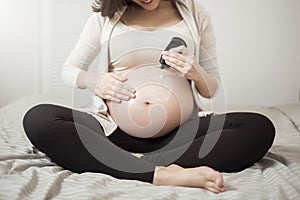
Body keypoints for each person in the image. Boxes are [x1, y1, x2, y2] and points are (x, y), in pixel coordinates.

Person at [22, 0, 275, 194]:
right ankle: (160, 174)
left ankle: (133, 163)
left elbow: (210, 89)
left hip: (181, 136)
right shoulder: (105, 16)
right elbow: (70, 69)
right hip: (113, 132)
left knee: (259, 128)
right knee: (39, 118)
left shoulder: (195, 13)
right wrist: (94, 80)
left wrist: (196, 72)